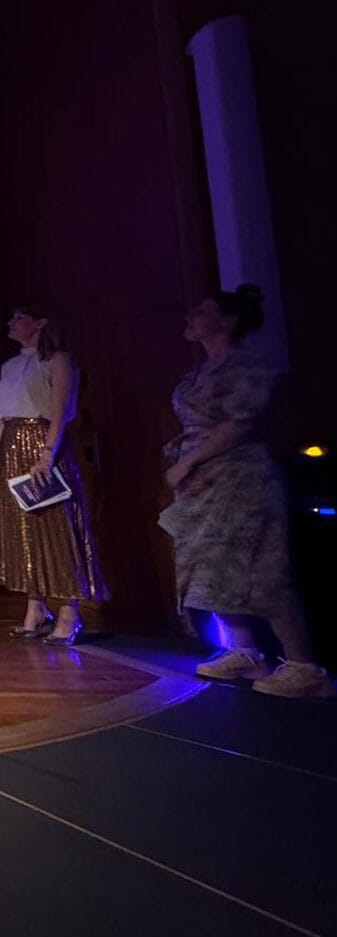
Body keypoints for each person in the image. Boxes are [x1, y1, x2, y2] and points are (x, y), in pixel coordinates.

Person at [162, 286, 330, 698]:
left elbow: (237, 424)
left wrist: (188, 461)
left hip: (241, 480)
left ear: (229, 321)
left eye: (202, 309)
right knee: (211, 566)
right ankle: (245, 651)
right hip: (203, 487)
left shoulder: (246, 365)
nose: (191, 315)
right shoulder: (197, 373)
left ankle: (305, 667)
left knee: (260, 569)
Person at [0, 306, 109, 643]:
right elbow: (2, 416)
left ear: (39, 323)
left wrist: (47, 454)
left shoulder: (59, 360)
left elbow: (59, 411)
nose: (10, 323)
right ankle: (36, 607)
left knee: (56, 526)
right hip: (12, 446)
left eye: (18, 317)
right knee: (24, 530)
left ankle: (70, 610)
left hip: (43, 444)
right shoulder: (10, 365)